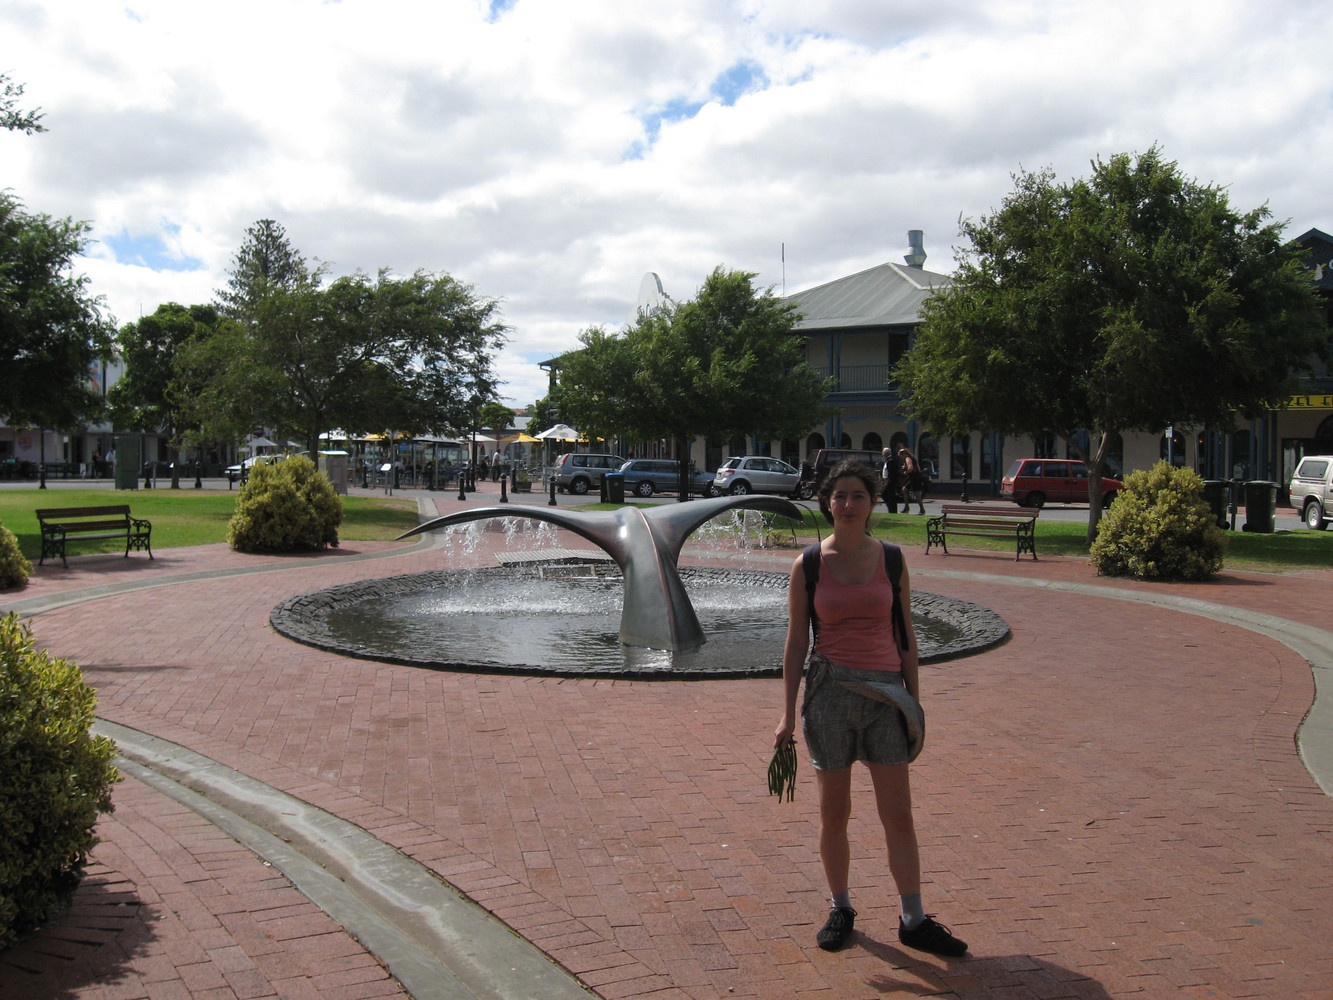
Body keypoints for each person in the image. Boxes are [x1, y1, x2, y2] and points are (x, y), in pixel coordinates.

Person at [775, 460, 966, 957]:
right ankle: (841, 908)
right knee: (834, 813)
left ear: (873, 502)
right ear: (827, 502)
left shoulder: (893, 560)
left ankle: (913, 918)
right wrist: (786, 713)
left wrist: (913, 704)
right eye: (839, 495)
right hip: (829, 696)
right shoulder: (808, 565)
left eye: (858, 495)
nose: (848, 504)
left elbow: (906, 637)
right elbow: (796, 643)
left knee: (897, 814)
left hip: (886, 698)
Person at [898, 447, 927, 515]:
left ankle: (922, 509)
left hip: (914, 477)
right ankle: (906, 507)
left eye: (901, 456)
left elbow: (910, 468)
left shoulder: (908, 458)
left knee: (917, 493)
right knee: (904, 490)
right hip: (913, 477)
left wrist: (905, 472)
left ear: (903, 454)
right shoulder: (912, 458)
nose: (901, 458)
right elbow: (918, 468)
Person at [880, 447, 902, 513]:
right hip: (887, 481)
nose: (882, 454)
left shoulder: (891, 461)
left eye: (883, 453)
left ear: (886, 453)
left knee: (887, 495)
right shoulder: (888, 460)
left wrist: (889, 481)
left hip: (890, 481)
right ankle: (891, 509)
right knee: (887, 495)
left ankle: (893, 510)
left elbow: (893, 473)